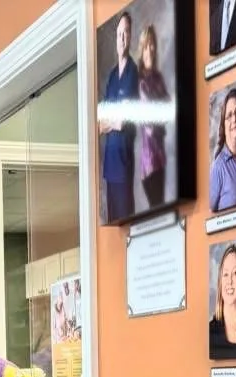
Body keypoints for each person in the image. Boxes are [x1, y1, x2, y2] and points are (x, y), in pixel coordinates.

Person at [99, 11, 139, 222]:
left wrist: (112, 120)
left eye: (126, 33)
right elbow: (100, 124)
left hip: (123, 165)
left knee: (125, 223)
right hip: (110, 166)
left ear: (130, 37)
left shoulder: (133, 73)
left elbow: (121, 121)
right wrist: (112, 120)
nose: (122, 38)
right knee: (113, 224)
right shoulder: (113, 76)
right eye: (119, 34)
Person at [136, 24, 169, 209]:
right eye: (146, 45)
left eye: (152, 44)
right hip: (149, 160)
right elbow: (149, 118)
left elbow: (168, 108)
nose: (149, 49)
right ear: (141, 50)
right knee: (156, 209)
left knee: (161, 208)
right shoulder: (139, 81)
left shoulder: (158, 78)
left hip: (160, 156)